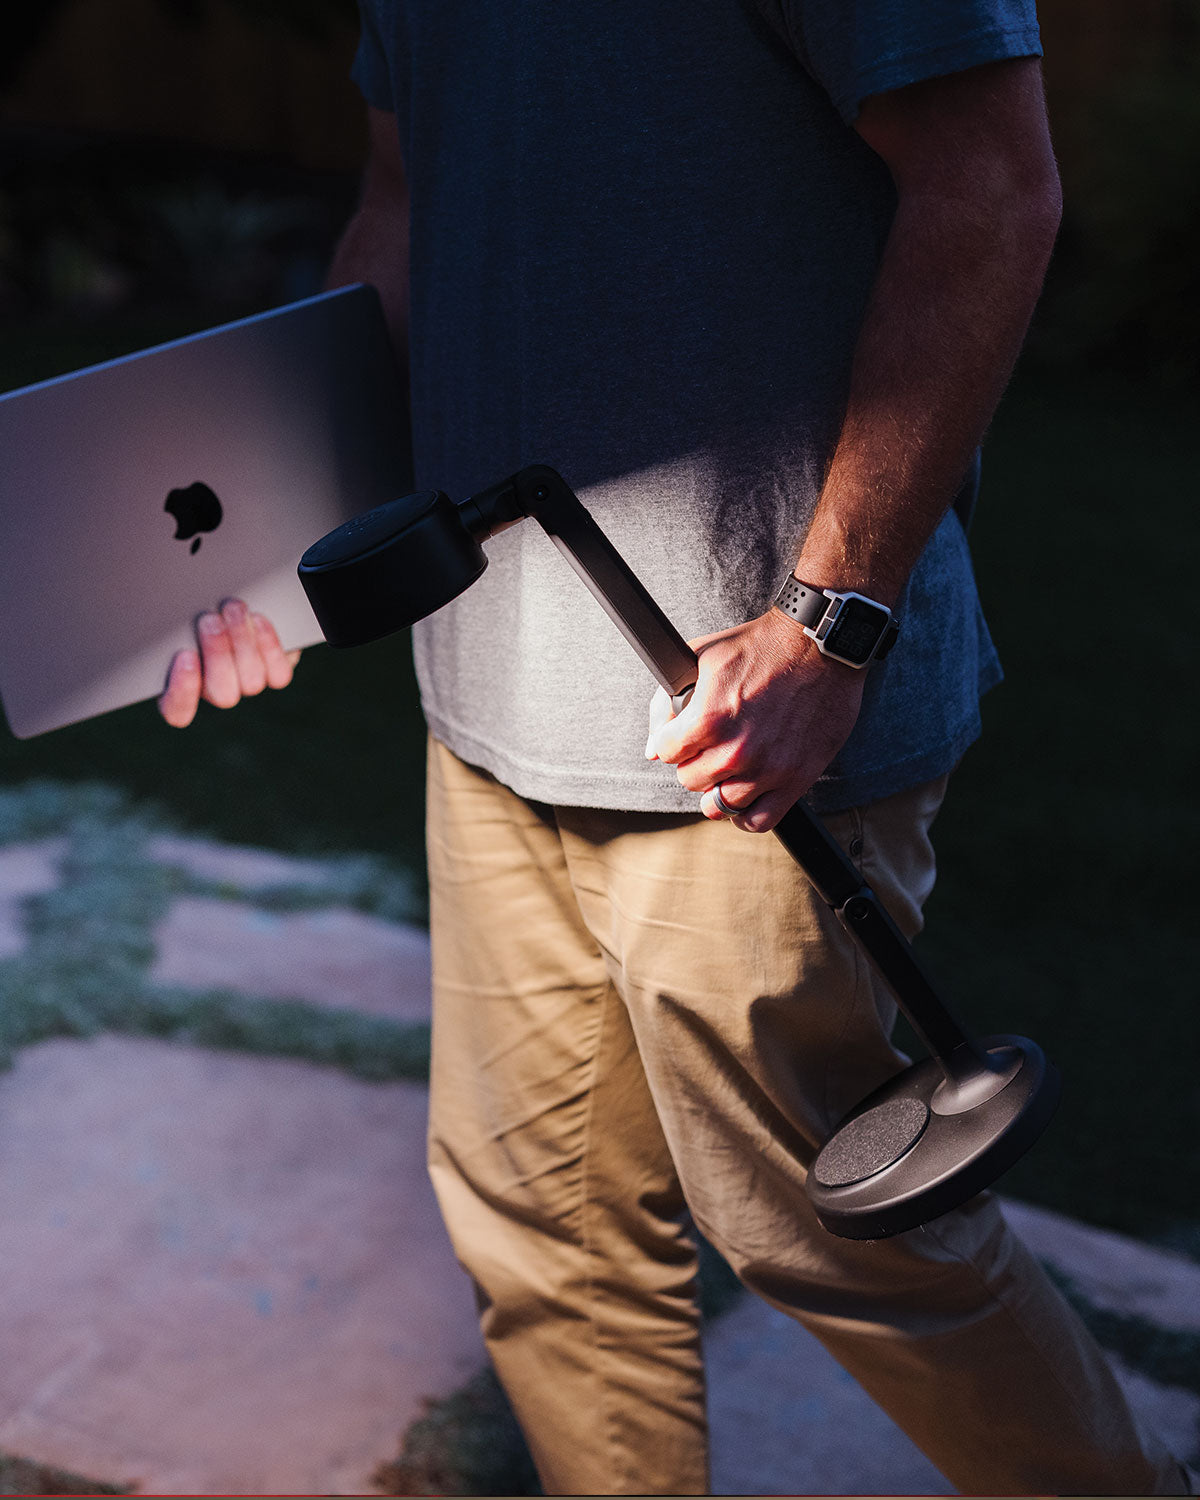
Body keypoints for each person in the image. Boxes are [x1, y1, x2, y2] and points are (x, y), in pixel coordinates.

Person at [160, 3, 1191, 1494]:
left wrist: (829, 628)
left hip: (751, 716)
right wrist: (272, 543)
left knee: (834, 1230)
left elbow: (990, 188)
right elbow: (402, 209)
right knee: (540, 1232)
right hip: (496, 687)